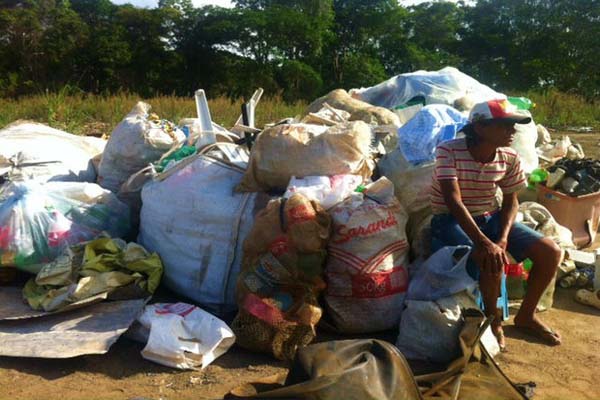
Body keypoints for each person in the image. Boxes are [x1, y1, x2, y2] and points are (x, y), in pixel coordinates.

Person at [430, 99, 562, 350]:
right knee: (491, 258)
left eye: (513, 126)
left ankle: (526, 316)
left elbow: (511, 200)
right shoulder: (448, 151)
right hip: (451, 218)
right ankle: (494, 321)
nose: (512, 131)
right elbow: (452, 200)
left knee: (550, 252)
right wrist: (485, 243)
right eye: (505, 125)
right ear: (479, 128)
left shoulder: (509, 156)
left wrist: (501, 239)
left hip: (491, 217)